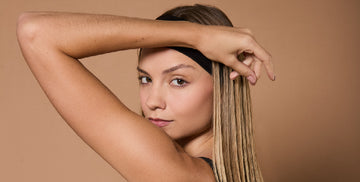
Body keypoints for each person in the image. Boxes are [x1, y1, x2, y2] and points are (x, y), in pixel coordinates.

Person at [17, 4, 275, 182]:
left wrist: (198, 37)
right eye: (145, 78)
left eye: (178, 81)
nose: (152, 101)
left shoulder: (176, 175)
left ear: (223, 87)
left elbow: (35, 32)